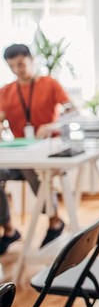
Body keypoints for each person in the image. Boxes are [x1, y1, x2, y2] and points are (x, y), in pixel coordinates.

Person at [0, 43, 70, 254]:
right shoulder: (6, 91)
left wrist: (52, 126)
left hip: (48, 151)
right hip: (19, 152)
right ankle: (9, 230)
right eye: (11, 66)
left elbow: (73, 112)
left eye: (20, 64)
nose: (16, 70)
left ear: (32, 60)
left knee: (30, 167)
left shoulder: (49, 84)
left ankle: (54, 221)